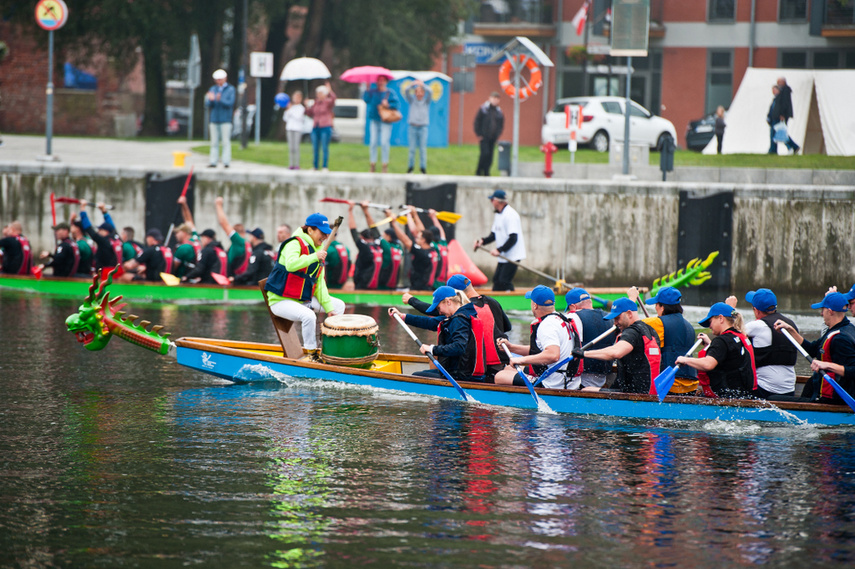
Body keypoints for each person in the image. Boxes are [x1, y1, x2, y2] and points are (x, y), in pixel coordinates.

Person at [265, 213, 345, 352]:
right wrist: (314, 257)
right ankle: (311, 352)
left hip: (302, 299)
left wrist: (329, 309)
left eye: (327, 233)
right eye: (322, 233)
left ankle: (331, 348)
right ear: (310, 230)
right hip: (280, 300)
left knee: (338, 306)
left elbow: (320, 285)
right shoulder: (294, 243)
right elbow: (291, 265)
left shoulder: (319, 251)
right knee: (308, 316)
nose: (326, 237)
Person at [388, 286, 498, 382]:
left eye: (438, 308)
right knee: (423, 373)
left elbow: (459, 347)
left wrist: (432, 349)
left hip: (463, 376)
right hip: (463, 372)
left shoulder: (459, 320)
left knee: (416, 376)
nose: (439, 312)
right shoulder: (465, 313)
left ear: (448, 302)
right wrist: (403, 317)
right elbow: (430, 322)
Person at [774, 292, 855, 405]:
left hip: (833, 400)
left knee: (771, 399)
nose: (821, 314)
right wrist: (790, 330)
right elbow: (812, 349)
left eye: (823, 310)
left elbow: (853, 370)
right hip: (821, 394)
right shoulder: (840, 329)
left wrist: (827, 365)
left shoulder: (840, 339)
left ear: (830, 311)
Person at [495, 285, 578, 389]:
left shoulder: (547, 325)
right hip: (565, 377)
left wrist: (521, 360)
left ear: (535, 305)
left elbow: (553, 355)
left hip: (554, 383)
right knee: (508, 369)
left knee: (499, 376)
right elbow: (541, 350)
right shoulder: (560, 318)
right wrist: (511, 347)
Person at [579, 297, 661, 395]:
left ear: (629, 314)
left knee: (586, 390)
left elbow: (616, 352)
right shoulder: (650, 330)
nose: (615, 323)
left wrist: (583, 353)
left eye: (617, 318)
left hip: (633, 396)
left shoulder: (631, 332)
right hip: (647, 393)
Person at [675, 302, 757, 399]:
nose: (709, 326)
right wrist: (710, 344)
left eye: (710, 321)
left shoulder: (721, 341)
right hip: (744, 396)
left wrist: (685, 360)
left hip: (728, 400)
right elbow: (728, 354)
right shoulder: (739, 337)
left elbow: (708, 364)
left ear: (721, 318)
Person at [628, 286, 699, 395]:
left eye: (656, 305)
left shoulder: (658, 323)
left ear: (662, 307)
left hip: (668, 385)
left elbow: (631, 325)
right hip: (691, 386)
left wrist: (632, 299)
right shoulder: (689, 326)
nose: (656, 308)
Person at [733, 288, 798, 398]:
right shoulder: (790, 324)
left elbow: (730, 335)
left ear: (756, 310)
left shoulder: (757, 325)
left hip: (765, 390)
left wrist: (731, 310)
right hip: (789, 389)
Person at [403, 273, 512, 336]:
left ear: (455, 295)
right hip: (499, 356)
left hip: (479, 363)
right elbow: (508, 327)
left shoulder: (464, 309)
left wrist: (411, 302)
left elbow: (432, 322)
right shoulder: (493, 302)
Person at [564, 288, 617, 388]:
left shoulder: (573, 316)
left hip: (580, 380)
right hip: (604, 375)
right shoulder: (611, 318)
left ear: (572, 306)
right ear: (590, 302)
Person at [473, 189, 525, 291]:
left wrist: (499, 250)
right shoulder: (498, 214)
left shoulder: (511, 215)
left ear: (499, 201)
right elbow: (494, 235)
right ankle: (497, 302)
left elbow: (513, 238)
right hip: (503, 255)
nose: (491, 202)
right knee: (496, 280)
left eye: (492, 200)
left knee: (504, 280)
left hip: (513, 255)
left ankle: (514, 300)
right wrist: (482, 241)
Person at [363, 74, 400, 173]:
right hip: (374, 119)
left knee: (384, 142)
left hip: (385, 121)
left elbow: (396, 104)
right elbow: (366, 100)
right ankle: (372, 164)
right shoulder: (373, 92)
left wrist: (388, 104)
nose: (380, 82)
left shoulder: (390, 93)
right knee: (373, 142)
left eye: (383, 80)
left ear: (386, 81)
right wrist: (367, 89)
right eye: (379, 80)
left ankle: (384, 165)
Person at [348, 201, 385, 290]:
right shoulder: (379, 245)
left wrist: (350, 211)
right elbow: (374, 228)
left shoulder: (365, 248)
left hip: (362, 286)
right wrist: (365, 210)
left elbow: (353, 231)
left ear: (362, 237)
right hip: (375, 287)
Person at [78, 201, 122, 271]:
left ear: (106, 231)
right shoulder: (117, 238)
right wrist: (104, 211)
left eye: (100, 230)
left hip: (105, 273)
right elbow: (111, 226)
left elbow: (88, 229)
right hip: (115, 272)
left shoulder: (103, 241)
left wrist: (82, 209)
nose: (98, 232)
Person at [205, 69, 236, 168]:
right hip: (214, 119)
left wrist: (220, 99)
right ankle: (213, 161)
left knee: (225, 141)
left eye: (220, 79)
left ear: (225, 78)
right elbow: (208, 104)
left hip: (226, 119)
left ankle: (226, 162)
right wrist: (210, 100)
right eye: (217, 79)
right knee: (214, 142)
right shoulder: (213, 89)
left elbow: (230, 103)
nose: (218, 81)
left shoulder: (231, 89)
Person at [214, 196, 249, 278]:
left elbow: (224, 224)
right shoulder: (247, 243)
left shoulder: (239, 241)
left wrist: (218, 205)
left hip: (234, 279)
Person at [306, 81, 335, 172]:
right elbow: (310, 114)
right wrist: (307, 106)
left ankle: (325, 166)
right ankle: (315, 166)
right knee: (315, 147)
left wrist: (330, 91)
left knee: (324, 147)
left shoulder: (328, 102)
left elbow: (334, 99)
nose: (318, 95)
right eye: (317, 93)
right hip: (316, 126)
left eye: (320, 93)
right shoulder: (315, 103)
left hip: (325, 126)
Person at [171, 195, 201, 279]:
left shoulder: (183, 248)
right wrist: (184, 204)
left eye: (177, 232)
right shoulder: (196, 238)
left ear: (184, 233)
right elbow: (189, 220)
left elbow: (172, 268)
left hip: (183, 280)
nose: (175, 235)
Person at [474, 92, 504, 176]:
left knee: (490, 156)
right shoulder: (484, 109)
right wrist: (479, 134)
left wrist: (497, 135)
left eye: (496, 98)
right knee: (484, 154)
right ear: (489, 98)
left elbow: (500, 125)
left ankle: (487, 172)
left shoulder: (499, 111)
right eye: (493, 98)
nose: (495, 100)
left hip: (493, 138)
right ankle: (479, 171)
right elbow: (477, 121)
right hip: (484, 137)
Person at [767, 78, 799, 155]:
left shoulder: (785, 91)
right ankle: (773, 149)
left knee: (779, 133)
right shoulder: (778, 95)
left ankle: (792, 147)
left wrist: (782, 114)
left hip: (779, 117)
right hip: (775, 117)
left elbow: (784, 104)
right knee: (776, 134)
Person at [404, 79, 430, 174]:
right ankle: (410, 167)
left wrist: (422, 85)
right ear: (414, 93)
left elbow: (430, 91)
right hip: (413, 127)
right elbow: (406, 91)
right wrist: (413, 84)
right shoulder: (412, 101)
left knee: (422, 149)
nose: (419, 94)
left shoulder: (426, 102)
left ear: (423, 93)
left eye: (421, 92)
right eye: (417, 92)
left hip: (423, 128)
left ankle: (423, 168)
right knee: (412, 149)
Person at [283, 90, 305, 170]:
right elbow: (285, 118)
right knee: (291, 147)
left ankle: (297, 164)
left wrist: (290, 110)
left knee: (296, 147)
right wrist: (288, 110)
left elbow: (298, 117)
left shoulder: (301, 108)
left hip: (297, 128)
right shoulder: (290, 107)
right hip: (290, 128)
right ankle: (291, 163)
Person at [426, 211, 449, 287]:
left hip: (434, 282)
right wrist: (434, 217)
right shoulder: (444, 244)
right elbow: (442, 232)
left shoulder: (432, 245)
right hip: (443, 281)